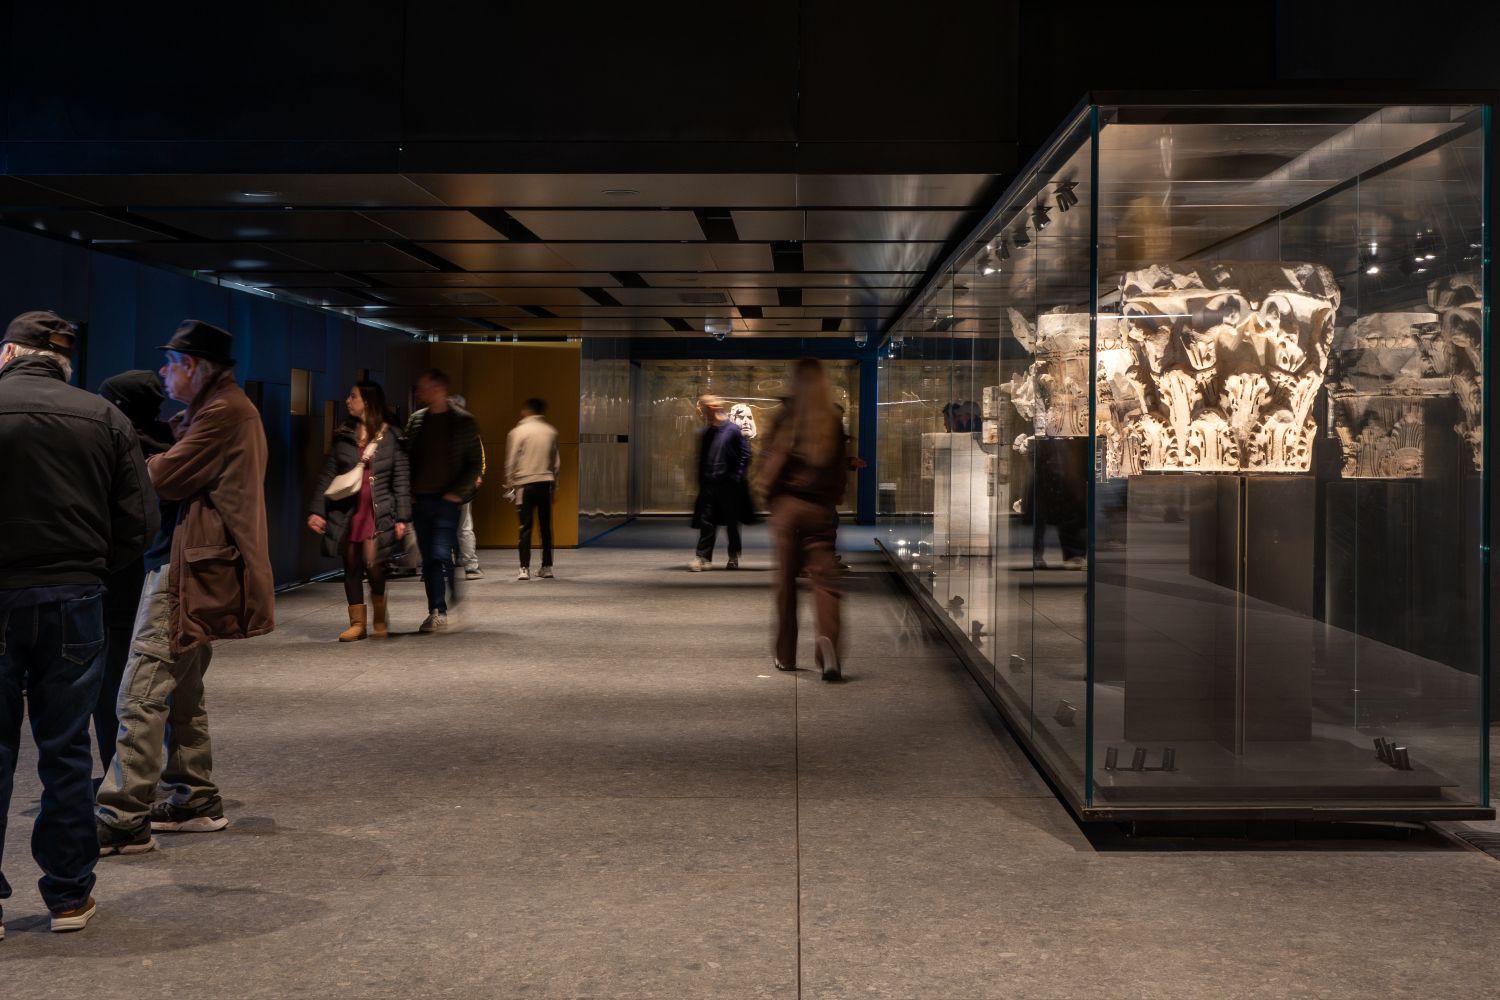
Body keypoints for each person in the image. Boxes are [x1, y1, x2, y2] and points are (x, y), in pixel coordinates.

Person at [0, 311, 155, 933]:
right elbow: (140, 526)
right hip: (74, 599)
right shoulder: (106, 418)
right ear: (63, 362)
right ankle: (68, 894)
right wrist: (88, 567)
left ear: (10, 352)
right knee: (65, 751)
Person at [96, 320, 274, 856]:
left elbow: (162, 478)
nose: (164, 373)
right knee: (183, 692)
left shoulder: (222, 413)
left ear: (194, 366)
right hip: (195, 563)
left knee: (140, 690)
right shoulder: (219, 409)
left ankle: (123, 814)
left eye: (171, 363)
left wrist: (139, 458)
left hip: (187, 569)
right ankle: (194, 796)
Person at [96, 371, 175, 773]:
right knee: (161, 685)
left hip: (121, 581)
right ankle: (162, 769)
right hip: (163, 575)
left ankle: (118, 772)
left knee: (114, 683)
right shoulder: (173, 445)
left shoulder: (122, 450)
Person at [758, 359, 849, 681]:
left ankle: (786, 655)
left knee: (786, 585)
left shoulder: (786, 415)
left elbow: (769, 459)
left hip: (787, 509)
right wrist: (832, 499)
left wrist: (770, 497)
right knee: (825, 582)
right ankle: (828, 645)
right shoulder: (832, 420)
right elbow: (840, 469)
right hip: (820, 511)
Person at [308, 381, 411, 640]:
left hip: (379, 512)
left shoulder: (391, 436)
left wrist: (402, 516)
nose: (347, 400)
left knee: (375, 565)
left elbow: (401, 477)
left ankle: (379, 613)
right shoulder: (344, 435)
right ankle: (357, 623)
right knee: (351, 564)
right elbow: (328, 474)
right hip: (348, 511)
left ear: (367, 401)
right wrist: (318, 510)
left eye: (352, 396)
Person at [404, 369, 484, 632]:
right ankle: (436, 610)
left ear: (438, 389)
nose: (419, 392)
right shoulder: (416, 421)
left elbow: (474, 463)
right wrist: (410, 491)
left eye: (424, 387)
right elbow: (406, 459)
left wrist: (457, 492)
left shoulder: (463, 421)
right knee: (430, 557)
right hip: (421, 500)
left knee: (439, 552)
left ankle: (444, 603)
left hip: (447, 500)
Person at [689, 395, 750, 572]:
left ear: (714, 408)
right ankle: (703, 557)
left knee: (731, 523)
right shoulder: (707, 432)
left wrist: (736, 477)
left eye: (706, 408)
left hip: (728, 484)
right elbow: (701, 458)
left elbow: (745, 455)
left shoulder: (732, 430)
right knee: (707, 521)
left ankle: (733, 556)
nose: (703, 412)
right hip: (710, 484)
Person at [505, 397, 561, 580]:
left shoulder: (518, 432)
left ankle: (524, 568)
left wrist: (510, 483)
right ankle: (547, 566)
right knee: (546, 527)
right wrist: (555, 486)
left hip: (524, 484)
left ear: (526, 411)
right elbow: (556, 463)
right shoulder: (551, 432)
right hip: (545, 483)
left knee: (525, 526)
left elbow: (512, 460)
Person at [450, 394, 486, 580]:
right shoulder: (468, 428)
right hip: (462, 486)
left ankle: (448, 564)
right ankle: (470, 565)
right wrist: (477, 476)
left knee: (446, 526)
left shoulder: (440, 428)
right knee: (464, 526)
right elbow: (479, 458)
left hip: (446, 486)